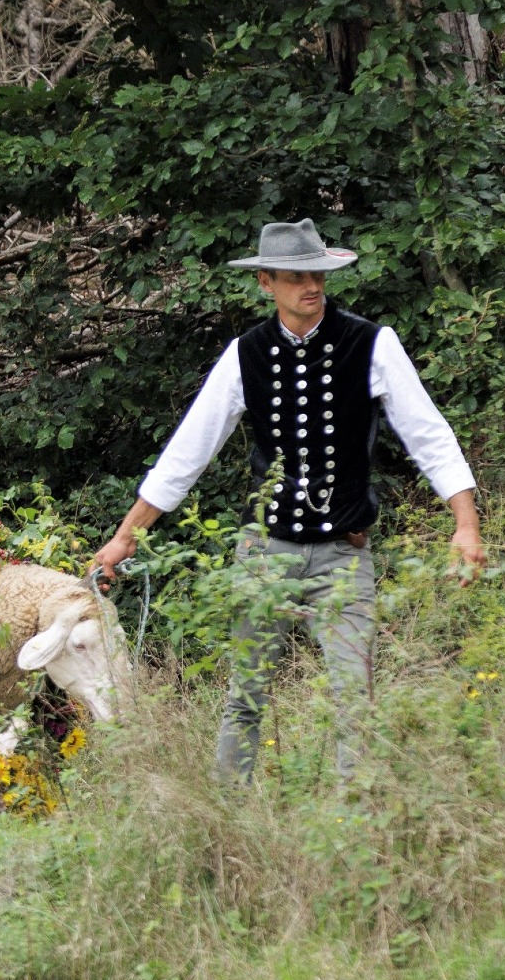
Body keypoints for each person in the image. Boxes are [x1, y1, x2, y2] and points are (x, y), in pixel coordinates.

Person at [93, 219, 484, 782]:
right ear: (266, 283)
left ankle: (358, 829)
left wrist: (464, 526)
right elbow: (187, 453)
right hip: (265, 553)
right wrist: (125, 536)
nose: (312, 286)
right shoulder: (244, 354)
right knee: (244, 697)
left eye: (318, 274)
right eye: (297, 275)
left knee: (356, 700)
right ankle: (228, 820)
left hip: (344, 555)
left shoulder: (373, 344)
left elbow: (431, 437)